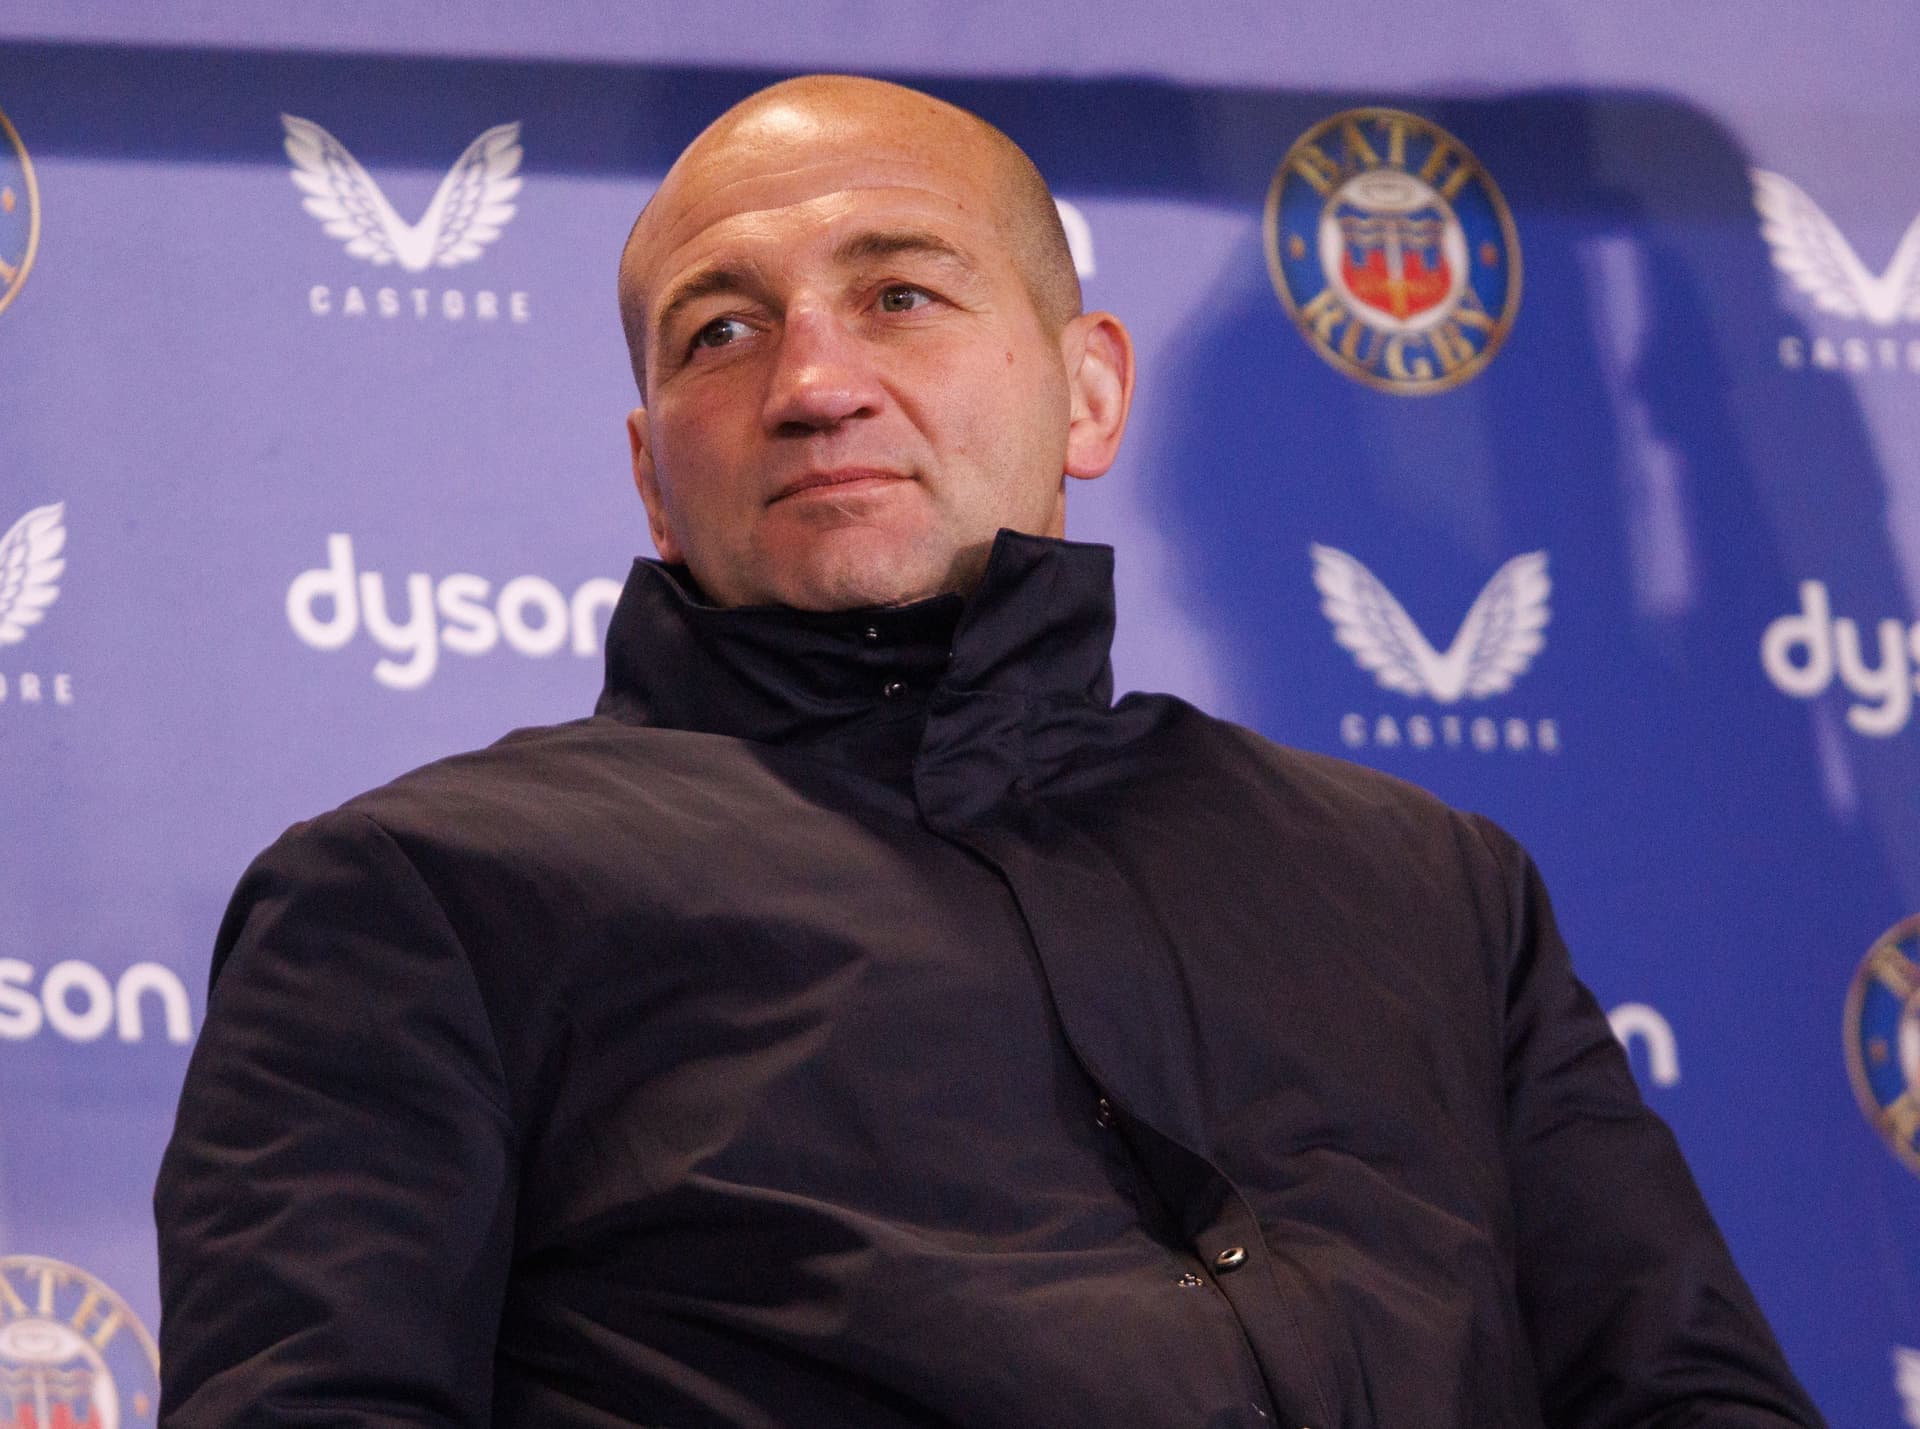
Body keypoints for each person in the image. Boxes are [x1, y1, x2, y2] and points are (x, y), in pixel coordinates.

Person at [155, 75, 1824, 1428]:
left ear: (1086, 394)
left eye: (900, 294)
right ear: (655, 478)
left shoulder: (1429, 883)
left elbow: (1687, 1393)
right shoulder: (423, 897)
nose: (814, 382)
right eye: (718, 334)